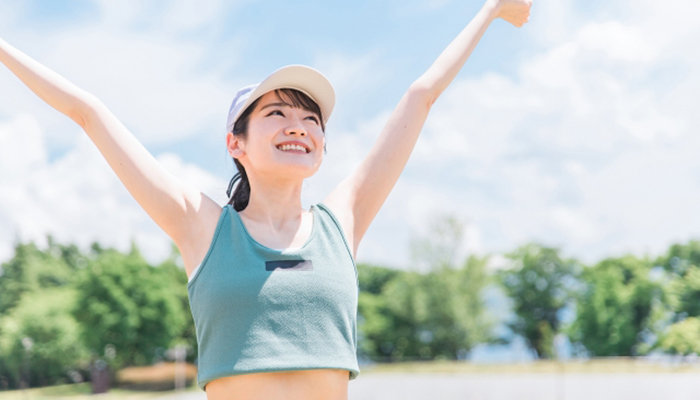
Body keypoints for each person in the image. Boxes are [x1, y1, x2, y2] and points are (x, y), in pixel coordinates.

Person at [0, 0, 531, 399]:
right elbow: (87, 112)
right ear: (236, 143)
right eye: (276, 113)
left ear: (322, 146)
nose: (298, 126)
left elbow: (420, 97)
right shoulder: (202, 227)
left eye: (311, 119)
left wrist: (489, 11)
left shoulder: (341, 221)